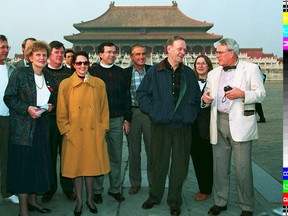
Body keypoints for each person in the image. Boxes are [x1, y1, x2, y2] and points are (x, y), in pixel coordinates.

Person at [137, 36, 201, 216]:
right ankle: (154, 196)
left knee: (180, 166)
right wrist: (155, 112)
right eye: (179, 49)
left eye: (184, 50)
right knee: (158, 163)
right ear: (169, 49)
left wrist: (190, 113)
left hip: (182, 126)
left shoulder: (188, 73)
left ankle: (174, 200)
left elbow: (196, 98)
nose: (183, 52)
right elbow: (142, 94)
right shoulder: (155, 72)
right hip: (161, 125)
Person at [202, 38, 266, 216]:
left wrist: (242, 94)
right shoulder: (213, 73)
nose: (217, 56)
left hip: (241, 124)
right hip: (219, 122)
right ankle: (220, 201)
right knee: (220, 168)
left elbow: (261, 94)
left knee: (243, 169)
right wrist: (205, 99)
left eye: (220, 53)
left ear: (231, 53)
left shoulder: (251, 69)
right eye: (217, 53)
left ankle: (247, 206)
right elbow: (207, 94)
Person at [4, 40, 56, 216]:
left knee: (38, 166)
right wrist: (27, 108)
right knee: (23, 168)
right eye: (38, 55)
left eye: (44, 55)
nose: (41, 58)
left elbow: (51, 99)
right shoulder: (20, 74)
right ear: (30, 57)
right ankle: (23, 209)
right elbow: (9, 98)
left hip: (41, 126)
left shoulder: (48, 76)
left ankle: (34, 202)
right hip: (23, 129)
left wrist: (50, 107)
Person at [57, 51, 110, 216]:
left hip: (93, 132)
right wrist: (66, 130)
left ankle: (90, 199)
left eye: (85, 63)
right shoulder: (65, 84)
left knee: (90, 168)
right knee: (76, 169)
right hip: (74, 133)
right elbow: (61, 112)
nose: (82, 66)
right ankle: (79, 200)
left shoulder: (99, 84)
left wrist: (103, 129)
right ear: (73, 65)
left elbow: (104, 110)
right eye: (78, 63)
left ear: (89, 64)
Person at [90, 41, 132, 203]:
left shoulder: (121, 73)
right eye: (108, 52)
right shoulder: (92, 72)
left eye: (114, 52)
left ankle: (115, 188)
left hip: (116, 119)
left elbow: (126, 97)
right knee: (99, 155)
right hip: (97, 120)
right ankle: (97, 189)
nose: (112, 55)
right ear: (100, 54)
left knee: (116, 155)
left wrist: (127, 118)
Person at [42, 40, 74, 202]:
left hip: (67, 121)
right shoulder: (42, 73)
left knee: (67, 156)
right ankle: (50, 187)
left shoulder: (70, 73)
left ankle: (68, 188)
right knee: (50, 155)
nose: (60, 55)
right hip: (48, 121)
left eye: (62, 52)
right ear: (49, 55)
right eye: (56, 52)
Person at [124, 44, 152, 195]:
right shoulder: (126, 73)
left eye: (143, 54)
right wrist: (126, 119)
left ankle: (154, 182)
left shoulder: (153, 71)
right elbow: (123, 97)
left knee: (152, 150)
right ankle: (135, 182)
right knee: (134, 151)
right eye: (137, 54)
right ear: (131, 57)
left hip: (149, 115)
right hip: (133, 113)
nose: (141, 57)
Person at [190, 55, 213, 201]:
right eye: (198, 63)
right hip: (192, 127)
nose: (200, 66)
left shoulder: (215, 82)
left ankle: (207, 188)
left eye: (204, 63)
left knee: (208, 159)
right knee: (197, 159)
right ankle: (202, 187)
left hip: (209, 127)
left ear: (209, 66)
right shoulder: (190, 82)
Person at [0, 35, 19, 204]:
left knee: (6, 156)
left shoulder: (11, 69)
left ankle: (6, 191)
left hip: (7, 118)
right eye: (2, 47)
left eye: (7, 47)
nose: (6, 50)